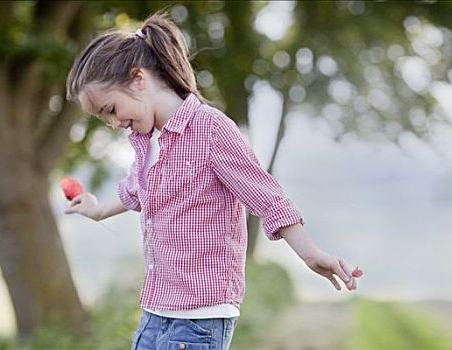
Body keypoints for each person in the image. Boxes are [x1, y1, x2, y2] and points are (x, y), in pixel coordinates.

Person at [64, 11, 359, 350]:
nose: (114, 124)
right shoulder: (148, 142)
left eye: (111, 110)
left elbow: (266, 197)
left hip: (200, 317)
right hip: (155, 311)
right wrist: (97, 210)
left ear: (138, 79)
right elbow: (135, 191)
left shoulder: (209, 129)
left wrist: (310, 254)